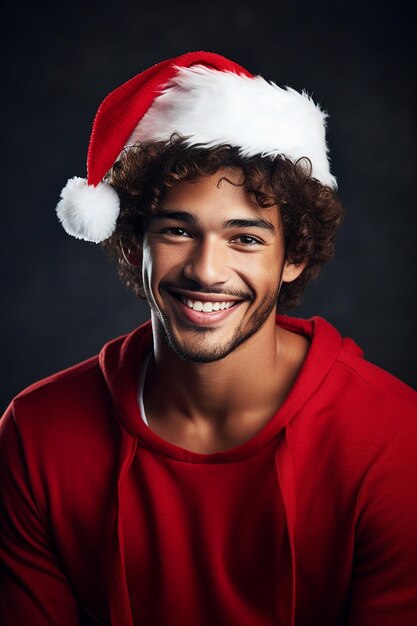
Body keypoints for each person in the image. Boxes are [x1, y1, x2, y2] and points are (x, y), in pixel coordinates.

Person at [0, 51, 416, 626]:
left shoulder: (394, 439)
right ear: (130, 244)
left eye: (244, 238)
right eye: (177, 230)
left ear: (292, 257)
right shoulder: (36, 432)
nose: (206, 270)